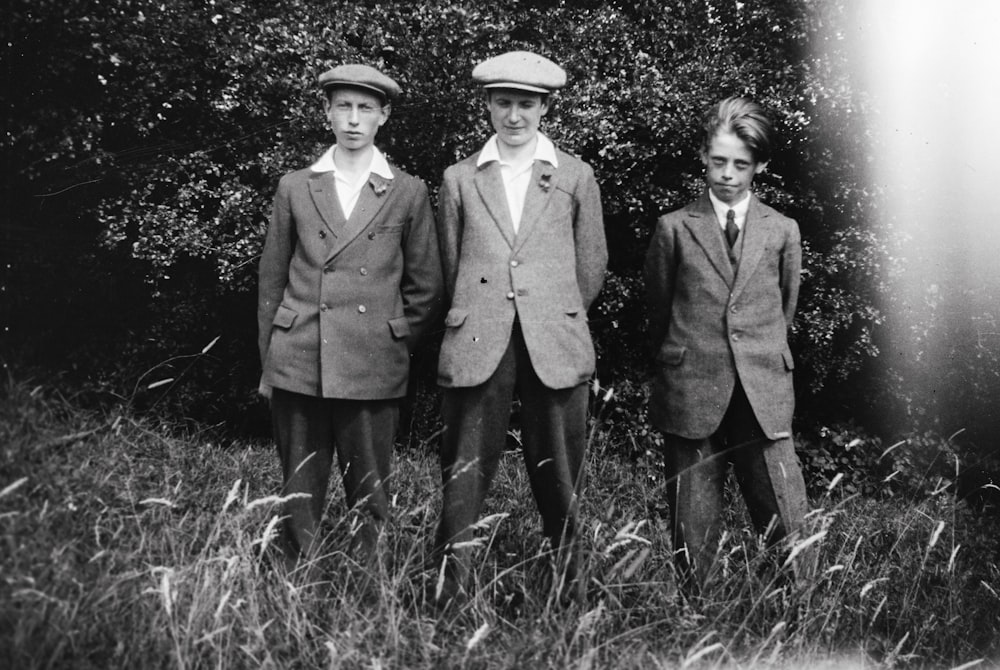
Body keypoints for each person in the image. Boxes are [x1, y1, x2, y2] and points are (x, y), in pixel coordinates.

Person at [433, 51, 608, 604]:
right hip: (480, 339)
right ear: (487, 104)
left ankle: (571, 593)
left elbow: (591, 264)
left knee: (561, 476)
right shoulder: (460, 178)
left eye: (526, 104)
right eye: (503, 103)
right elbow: (449, 262)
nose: (514, 116)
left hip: (553, 340)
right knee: (464, 471)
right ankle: (449, 593)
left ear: (545, 107)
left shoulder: (575, 175)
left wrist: (550, 311)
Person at [257, 64, 443, 567]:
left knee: (370, 489)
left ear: (383, 116)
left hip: (371, 362)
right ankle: (294, 583)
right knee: (298, 486)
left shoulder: (408, 191)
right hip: (300, 358)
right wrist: (271, 362)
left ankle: (369, 586)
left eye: (365, 109)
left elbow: (426, 288)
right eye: (343, 106)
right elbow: (271, 283)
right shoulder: (296, 186)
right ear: (327, 113)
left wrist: (392, 340)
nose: (353, 119)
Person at [644, 97, 810, 590]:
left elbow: (785, 307)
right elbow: (658, 310)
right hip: (691, 385)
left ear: (761, 165)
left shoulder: (782, 231)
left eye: (741, 164)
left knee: (785, 506)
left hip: (762, 389)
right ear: (703, 156)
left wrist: (755, 352)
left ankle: (802, 610)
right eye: (719, 161)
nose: (729, 175)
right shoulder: (674, 228)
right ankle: (697, 612)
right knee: (692, 515)